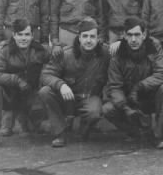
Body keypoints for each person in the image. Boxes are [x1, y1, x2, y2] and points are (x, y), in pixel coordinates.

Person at [0, 0, 50, 134]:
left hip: (31, 37)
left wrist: (43, 39)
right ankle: (7, 123)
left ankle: (28, 120)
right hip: (11, 35)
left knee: (32, 75)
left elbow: (45, 15)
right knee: (10, 75)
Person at [0, 19, 51, 149]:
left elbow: (56, 60)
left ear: (32, 36)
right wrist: (16, 80)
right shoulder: (4, 50)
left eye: (27, 34)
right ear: (14, 35)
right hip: (10, 97)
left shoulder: (39, 50)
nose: (24, 38)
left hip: (30, 95)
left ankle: (33, 121)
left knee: (40, 128)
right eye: (20, 34)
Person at [39, 17, 110, 147]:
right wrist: (61, 85)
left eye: (92, 37)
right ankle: (60, 133)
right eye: (85, 36)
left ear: (98, 38)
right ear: (79, 37)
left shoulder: (105, 53)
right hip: (68, 99)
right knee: (45, 92)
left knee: (94, 112)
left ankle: (84, 128)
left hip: (90, 98)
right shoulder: (66, 54)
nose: (89, 40)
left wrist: (119, 44)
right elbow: (46, 75)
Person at [102, 17, 163, 144]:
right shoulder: (118, 53)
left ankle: (160, 134)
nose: (133, 39)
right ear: (124, 35)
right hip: (130, 99)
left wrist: (140, 86)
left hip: (150, 95)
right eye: (129, 35)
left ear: (144, 35)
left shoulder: (153, 46)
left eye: (137, 35)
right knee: (108, 109)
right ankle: (136, 132)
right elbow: (115, 86)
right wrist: (125, 108)